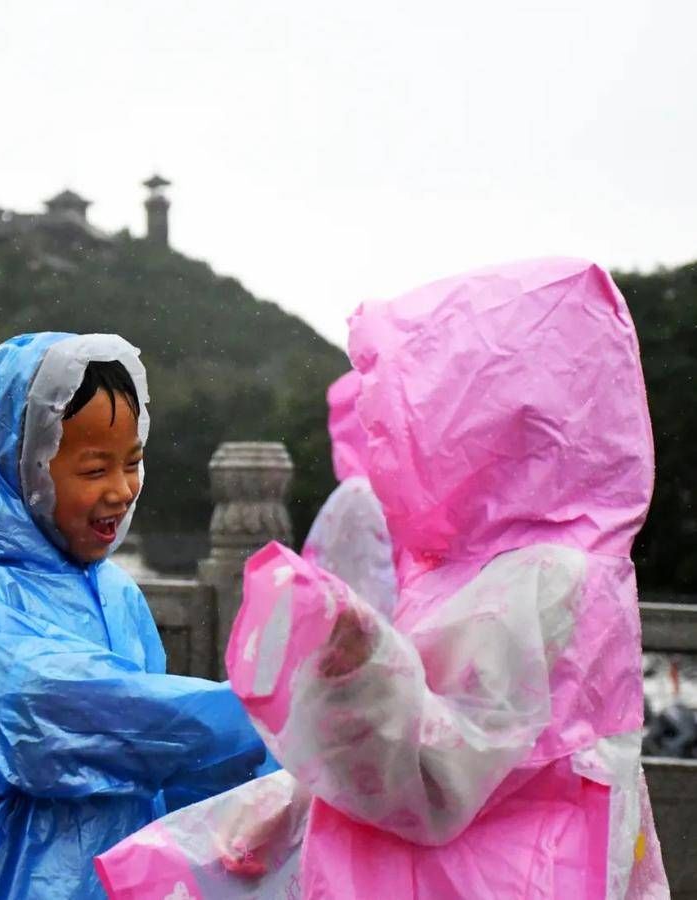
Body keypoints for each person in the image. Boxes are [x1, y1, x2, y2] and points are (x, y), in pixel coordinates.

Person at [98, 258, 671, 898]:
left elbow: (436, 775)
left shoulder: (547, 581)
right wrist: (288, 804)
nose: (378, 455)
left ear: (486, 426)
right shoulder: (472, 567)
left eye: (394, 429)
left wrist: (354, 666)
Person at [0, 332, 265, 899]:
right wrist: (268, 715)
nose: (121, 490)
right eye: (93, 471)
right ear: (23, 469)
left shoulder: (119, 595)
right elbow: (74, 712)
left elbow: (175, 767)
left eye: (132, 462)